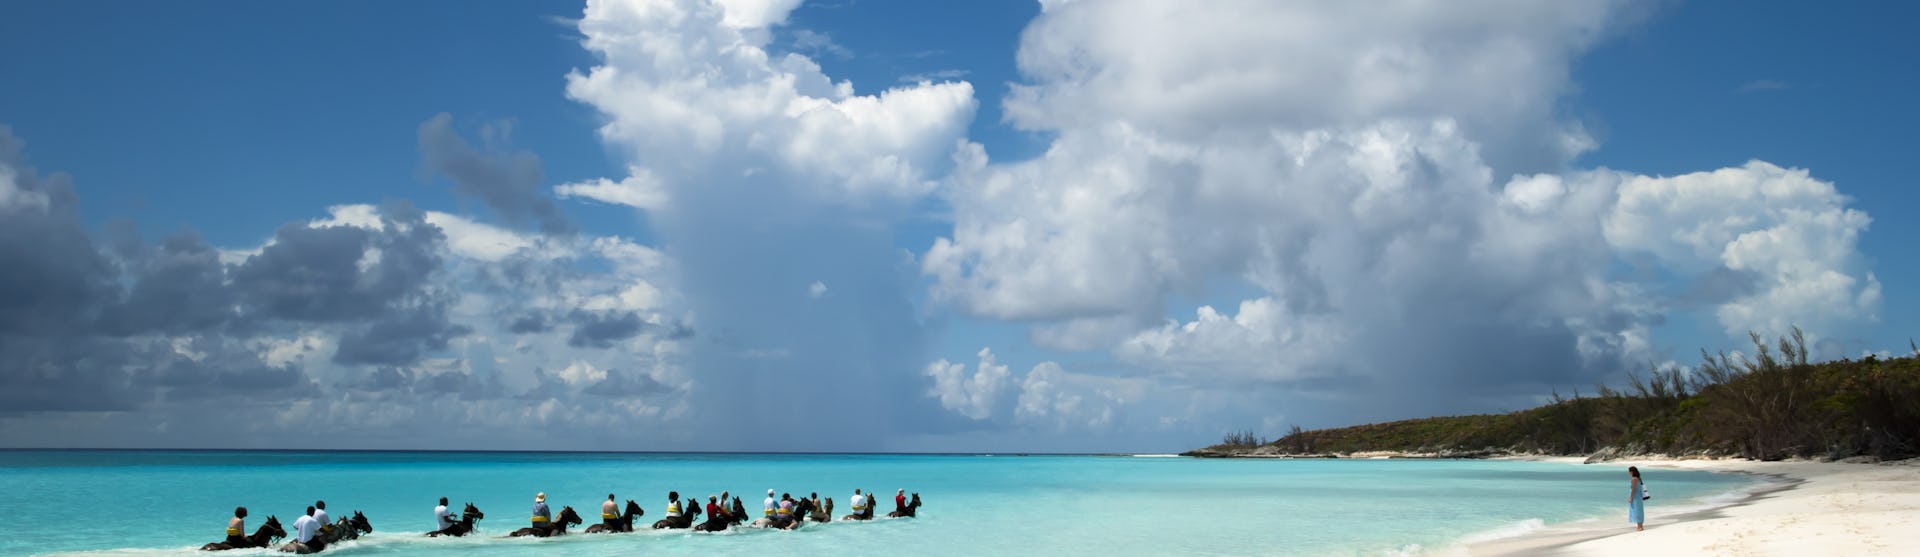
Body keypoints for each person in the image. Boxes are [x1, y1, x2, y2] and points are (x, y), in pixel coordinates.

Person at [1628, 466, 1646, 531]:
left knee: (1636, 511)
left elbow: (1634, 489)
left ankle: (1639, 527)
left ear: (1632, 472)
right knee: (1639, 510)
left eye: (1629, 471)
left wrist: (1631, 498)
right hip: (1639, 496)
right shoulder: (1638, 478)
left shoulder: (1634, 479)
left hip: (1636, 497)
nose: (1628, 473)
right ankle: (1640, 526)